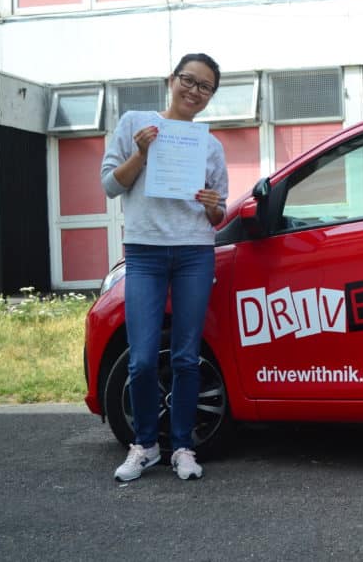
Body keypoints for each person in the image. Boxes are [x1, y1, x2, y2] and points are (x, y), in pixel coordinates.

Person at [101, 53, 229, 481]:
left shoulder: (209, 145)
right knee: (139, 359)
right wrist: (140, 152)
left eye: (205, 86)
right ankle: (145, 445)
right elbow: (109, 185)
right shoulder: (136, 122)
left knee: (187, 356)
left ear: (210, 96)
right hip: (146, 250)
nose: (194, 91)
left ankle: (183, 447)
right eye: (188, 80)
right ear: (171, 80)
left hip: (194, 250)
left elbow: (218, 215)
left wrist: (214, 207)